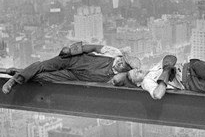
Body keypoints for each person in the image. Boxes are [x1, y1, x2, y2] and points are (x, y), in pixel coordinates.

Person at [2, 42, 141, 94]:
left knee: (43, 77)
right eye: (122, 60)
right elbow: (92, 47)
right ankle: (14, 80)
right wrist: (71, 50)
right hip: (73, 61)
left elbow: (124, 82)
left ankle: (19, 72)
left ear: (127, 70)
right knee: (41, 66)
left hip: (74, 76)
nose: (120, 63)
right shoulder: (113, 52)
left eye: (124, 65)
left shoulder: (118, 77)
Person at [126, 55, 205, 99]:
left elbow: (171, 57)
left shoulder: (152, 68)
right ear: (137, 83)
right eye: (136, 74)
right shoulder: (146, 82)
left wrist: (167, 64)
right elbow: (157, 95)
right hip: (188, 82)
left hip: (190, 67)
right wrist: (166, 74)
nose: (139, 70)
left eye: (137, 69)